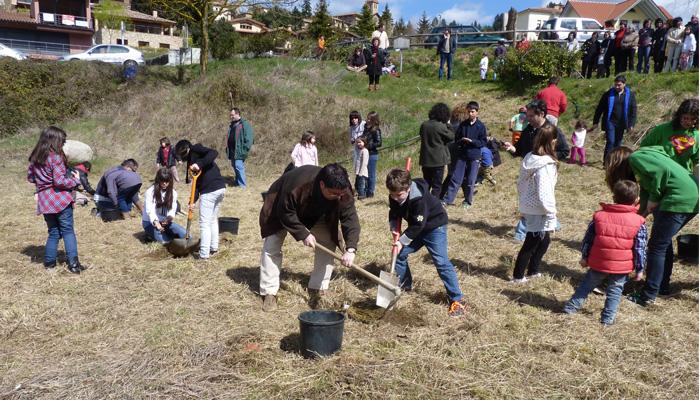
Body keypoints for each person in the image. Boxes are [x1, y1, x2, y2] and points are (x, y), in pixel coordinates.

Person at [258, 163, 360, 311]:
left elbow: (350, 218)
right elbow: (286, 212)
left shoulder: (343, 191)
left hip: (315, 212)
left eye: (340, 195)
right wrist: (303, 233)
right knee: (272, 245)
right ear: (322, 184)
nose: (338, 197)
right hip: (280, 206)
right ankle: (269, 292)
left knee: (328, 242)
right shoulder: (297, 185)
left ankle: (318, 286)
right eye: (334, 194)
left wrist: (351, 249)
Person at [605, 146, 698, 306]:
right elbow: (647, 191)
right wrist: (637, 216)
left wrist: (654, 198)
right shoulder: (644, 161)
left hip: (679, 197)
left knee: (656, 246)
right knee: (663, 241)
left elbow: (661, 174)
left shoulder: (636, 158)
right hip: (692, 193)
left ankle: (647, 295)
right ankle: (661, 286)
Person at [562, 180, 647, 326]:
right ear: (637, 200)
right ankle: (607, 320)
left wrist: (585, 257)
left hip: (598, 262)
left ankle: (570, 308)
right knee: (615, 291)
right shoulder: (639, 221)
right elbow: (640, 247)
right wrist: (640, 268)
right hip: (622, 267)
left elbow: (588, 239)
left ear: (613, 197)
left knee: (585, 286)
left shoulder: (599, 216)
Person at [385, 169, 467, 317]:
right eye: (392, 194)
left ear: (408, 188)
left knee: (441, 262)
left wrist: (401, 241)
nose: (395, 198)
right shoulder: (395, 193)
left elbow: (418, 225)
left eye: (399, 195)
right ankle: (405, 285)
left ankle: (457, 299)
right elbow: (394, 211)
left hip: (435, 227)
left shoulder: (419, 198)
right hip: (417, 228)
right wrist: (393, 226)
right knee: (399, 254)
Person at [27, 126, 83, 274]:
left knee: (53, 232)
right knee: (68, 231)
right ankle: (74, 264)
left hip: (45, 200)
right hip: (60, 199)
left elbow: (31, 178)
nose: (63, 144)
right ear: (55, 140)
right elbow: (59, 181)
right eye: (62, 141)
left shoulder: (35, 158)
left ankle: (50, 263)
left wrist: (42, 183)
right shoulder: (55, 157)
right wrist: (75, 181)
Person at [510, 124, 559, 283]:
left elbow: (520, 183)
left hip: (529, 204)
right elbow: (544, 191)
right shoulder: (545, 164)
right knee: (532, 241)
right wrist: (551, 211)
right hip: (539, 207)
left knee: (544, 239)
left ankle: (533, 270)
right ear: (552, 142)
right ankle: (518, 276)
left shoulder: (530, 158)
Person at [175, 140, 226, 260]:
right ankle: (213, 247)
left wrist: (200, 164)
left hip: (211, 190)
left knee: (204, 224)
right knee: (212, 220)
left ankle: (204, 255)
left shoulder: (196, 149)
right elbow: (196, 185)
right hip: (219, 189)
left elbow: (214, 152)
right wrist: (192, 201)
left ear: (186, 149)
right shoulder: (191, 160)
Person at [442, 101, 487, 209]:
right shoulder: (463, 125)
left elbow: (483, 142)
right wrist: (462, 141)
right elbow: (456, 138)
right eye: (469, 112)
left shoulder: (481, 126)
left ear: (477, 112)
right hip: (462, 155)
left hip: (474, 156)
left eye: (472, 111)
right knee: (455, 178)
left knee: (471, 180)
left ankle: (468, 201)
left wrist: (472, 142)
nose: (470, 114)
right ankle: (447, 200)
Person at [640, 98, 698, 172]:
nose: (689, 122)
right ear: (679, 116)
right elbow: (644, 147)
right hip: (661, 173)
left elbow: (696, 161)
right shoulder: (662, 129)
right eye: (685, 118)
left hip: (682, 176)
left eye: (693, 119)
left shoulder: (697, 136)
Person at [503, 100, 570, 161]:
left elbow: (564, 151)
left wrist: (545, 158)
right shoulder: (528, 129)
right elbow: (519, 149)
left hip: (544, 171)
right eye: (527, 116)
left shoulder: (552, 131)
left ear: (542, 114)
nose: (528, 119)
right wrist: (511, 148)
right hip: (528, 170)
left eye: (531, 116)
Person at [592, 74, 637, 161]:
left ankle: (615, 161)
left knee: (618, 143)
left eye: (619, 85)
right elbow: (599, 108)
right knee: (610, 141)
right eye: (615, 84)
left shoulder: (630, 95)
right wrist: (595, 122)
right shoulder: (608, 94)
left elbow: (633, 110)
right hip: (610, 121)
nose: (617, 87)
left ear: (624, 84)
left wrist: (631, 124)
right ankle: (607, 162)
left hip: (622, 122)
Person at [141, 167, 186, 244]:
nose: (164, 183)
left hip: (164, 220)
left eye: (167, 181)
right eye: (162, 181)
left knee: (185, 235)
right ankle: (150, 234)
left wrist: (169, 218)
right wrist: (156, 223)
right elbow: (150, 211)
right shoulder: (150, 192)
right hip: (149, 222)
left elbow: (172, 208)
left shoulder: (173, 193)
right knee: (166, 242)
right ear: (158, 180)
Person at [419, 102, 454, 197]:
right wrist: (449, 125)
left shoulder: (424, 125)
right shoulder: (440, 126)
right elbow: (451, 137)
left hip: (426, 160)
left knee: (426, 183)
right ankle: (434, 204)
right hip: (438, 161)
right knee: (437, 185)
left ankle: (424, 201)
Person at [225, 107, 254, 188]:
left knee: (238, 166)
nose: (231, 117)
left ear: (238, 114)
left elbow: (249, 138)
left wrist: (245, 149)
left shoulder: (244, 124)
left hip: (239, 150)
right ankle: (238, 182)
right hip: (232, 150)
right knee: (234, 166)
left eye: (233, 115)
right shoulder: (232, 125)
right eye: (230, 115)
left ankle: (242, 185)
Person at [363, 111, 382, 197]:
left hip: (372, 154)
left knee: (371, 174)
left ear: (374, 120)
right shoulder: (366, 127)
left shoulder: (376, 130)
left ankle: (370, 192)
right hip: (365, 153)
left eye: (370, 119)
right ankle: (366, 190)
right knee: (365, 173)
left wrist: (368, 145)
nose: (367, 120)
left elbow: (379, 143)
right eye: (367, 118)